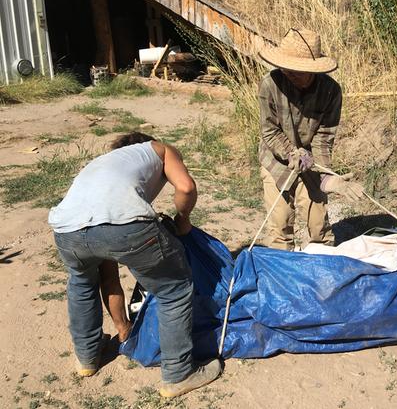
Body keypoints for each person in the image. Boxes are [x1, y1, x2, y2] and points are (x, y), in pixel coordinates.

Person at [48, 132, 221, 398]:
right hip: (122, 225)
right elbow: (186, 187)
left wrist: (123, 328)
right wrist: (183, 219)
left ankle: (87, 358)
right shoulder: (160, 149)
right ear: (145, 143)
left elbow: (109, 278)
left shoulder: (102, 163)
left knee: (82, 284)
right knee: (174, 289)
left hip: (67, 229)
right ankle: (179, 373)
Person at [257, 27, 364, 250]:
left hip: (311, 161)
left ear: (313, 71)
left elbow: (324, 137)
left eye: (296, 71)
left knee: (319, 226)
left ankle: (323, 270)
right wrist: (290, 153)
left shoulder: (330, 91)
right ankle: (282, 273)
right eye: (285, 69)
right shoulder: (270, 84)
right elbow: (269, 130)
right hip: (276, 160)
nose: (288, 73)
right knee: (280, 225)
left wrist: (326, 176)